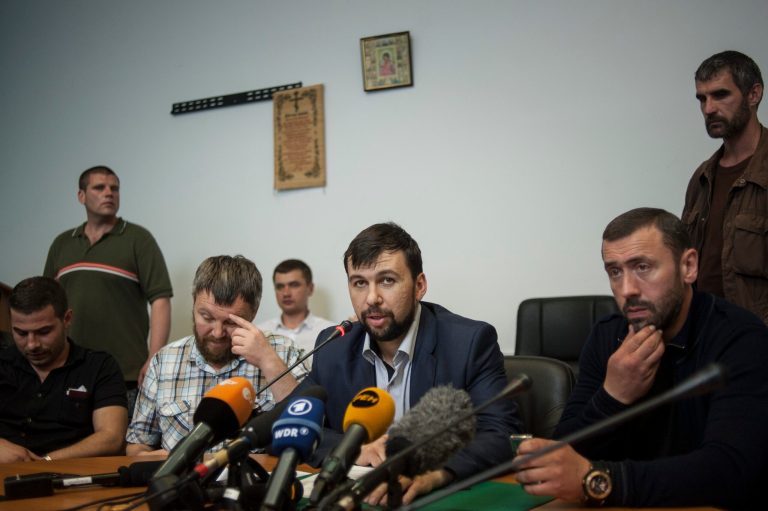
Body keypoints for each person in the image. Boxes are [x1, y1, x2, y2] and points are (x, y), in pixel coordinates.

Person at [514, 208, 768, 509]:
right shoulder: (607, 336)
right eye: (615, 272)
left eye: (643, 267)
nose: (627, 290)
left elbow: (727, 470)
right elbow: (564, 456)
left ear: (688, 266)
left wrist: (598, 478)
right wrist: (613, 396)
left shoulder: (741, 338)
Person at [297, 222, 520, 505]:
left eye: (387, 280)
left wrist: (435, 474)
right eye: (359, 283)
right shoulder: (334, 346)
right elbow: (295, 424)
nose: (372, 298)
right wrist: (354, 448)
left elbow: (501, 435)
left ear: (419, 286)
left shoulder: (469, 342)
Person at [126, 255, 307, 455]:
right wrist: (155, 459)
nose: (218, 332)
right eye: (207, 317)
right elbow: (137, 445)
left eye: (231, 322)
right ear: (193, 303)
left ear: (253, 314)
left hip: (256, 482)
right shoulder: (164, 361)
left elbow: (307, 425)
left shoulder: (284, 352)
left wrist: (268, 361)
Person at [44, 165, 173, 398]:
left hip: (124, 373)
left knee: (121, 436)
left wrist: (154, 359)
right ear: (81, 196)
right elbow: (46, 303)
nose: (109, 193)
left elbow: (161, 300)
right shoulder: (62, 244)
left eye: (114, 188)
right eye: (99, 187)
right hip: (67, 369)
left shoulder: (138, 239)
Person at [0, 277, 127, 462]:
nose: (32, 344)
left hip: (70, 475)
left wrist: (44, 462)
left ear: (67, 319)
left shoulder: (99, 367)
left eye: (44, 332)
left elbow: (112, 438)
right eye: (21, 333)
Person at [682, 51, 767, 324]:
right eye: (702, 98)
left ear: (754, 95)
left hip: (756, 342)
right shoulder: (702, 177)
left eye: (720, 95)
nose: (708, 109)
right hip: (706, 338)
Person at [257, 259, 335, 366]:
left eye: (294, 285)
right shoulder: (260, 333)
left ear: (310, 288)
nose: (286, 293)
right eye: (280, 287)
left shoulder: (331, 333)